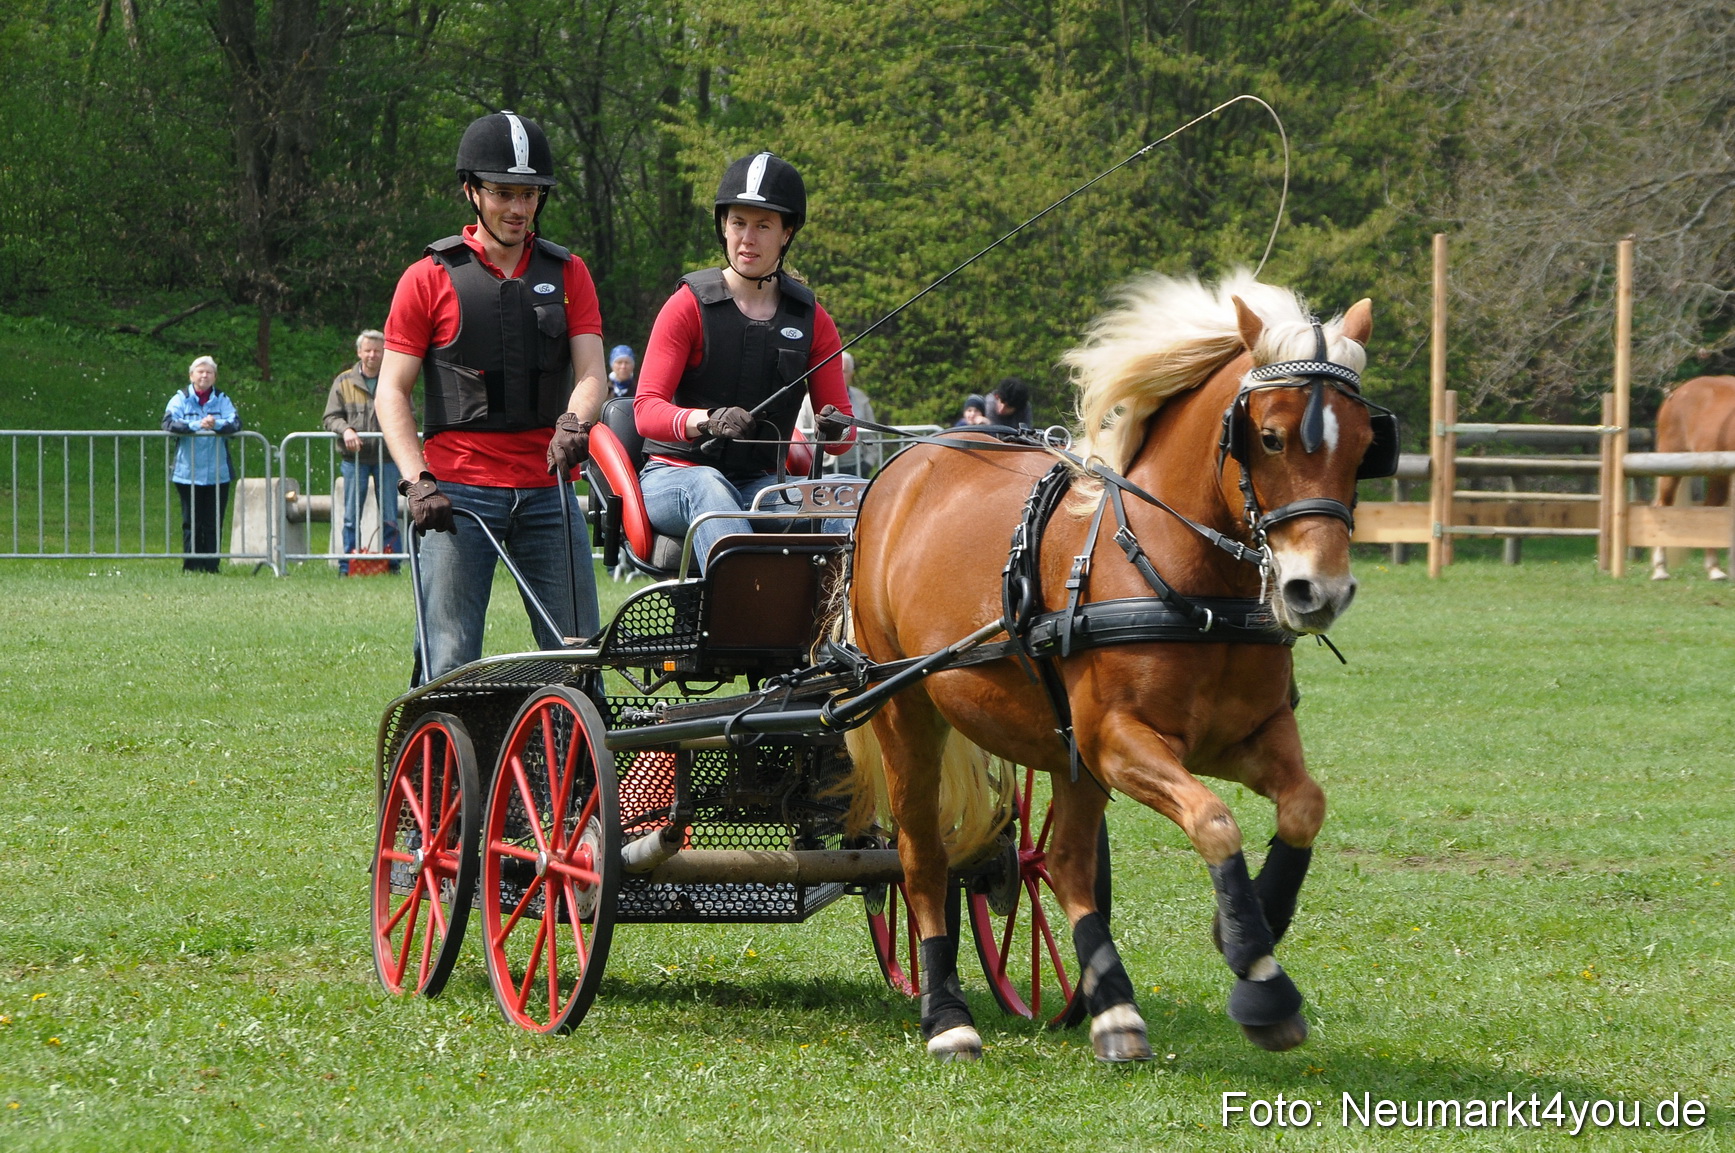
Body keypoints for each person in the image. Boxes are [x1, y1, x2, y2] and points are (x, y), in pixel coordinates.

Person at [375, 110, 606, 683]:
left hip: (549, 492)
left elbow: (592, 372)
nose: (518, 208)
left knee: (578, 656)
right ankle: (442, 766)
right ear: (471, 192)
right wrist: (416, 479)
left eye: (529, 194)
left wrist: (575, 423)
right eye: (503, 192)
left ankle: (580, 770)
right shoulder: (427, 277)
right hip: (457, 496)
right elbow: (391, 393)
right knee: (449, 659)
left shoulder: (569, 272)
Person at [633, 151, 859, 573]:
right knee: (710, 487)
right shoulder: (687, 307)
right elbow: (645, 410)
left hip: (760, 484)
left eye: (763, 225)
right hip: (676, 476)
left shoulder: (814, 321)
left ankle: (848, 626)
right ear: (723, 226)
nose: (747, 238)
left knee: (859, 493)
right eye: (738, 223)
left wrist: (836, 428)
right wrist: (707, 419)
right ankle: (745, 619)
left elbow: (843, 435)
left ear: (787, 232)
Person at [322, 329, 401, 574]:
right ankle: (347, 566)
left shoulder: (394, 379)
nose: (372, 355)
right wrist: (345, 430)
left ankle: (393, 564)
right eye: (368, 350)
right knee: (351, 515)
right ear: (359, 352)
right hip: (354, 459)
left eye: (377, 350)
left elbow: (405, 413)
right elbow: (330, 417)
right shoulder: (343, 381)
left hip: (387, 458)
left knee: (390, 513)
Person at [162, 356, 240, 573]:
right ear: (191, 375)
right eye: (200, 372)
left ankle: (212, 566)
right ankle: (191, 566)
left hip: (218, 473)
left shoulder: (222, 399)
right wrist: (198, 424)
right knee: (191, 522)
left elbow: (235, 423)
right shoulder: (180, 398)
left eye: (209, 372)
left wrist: (216, 424)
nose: (204, 375)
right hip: (187, 472)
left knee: (213, 522)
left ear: (215, 377)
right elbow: (169, 423)